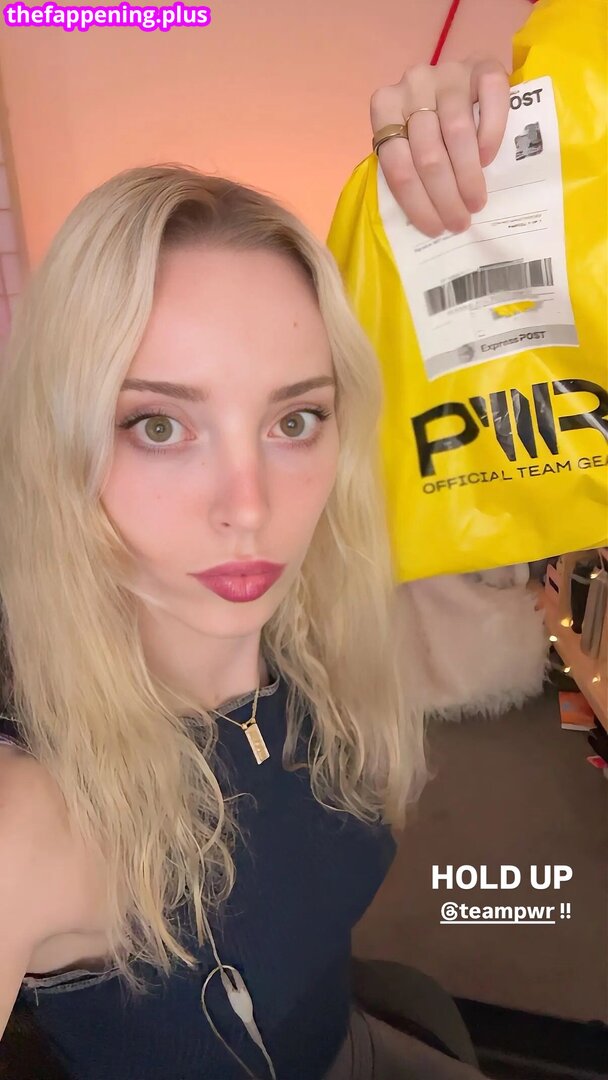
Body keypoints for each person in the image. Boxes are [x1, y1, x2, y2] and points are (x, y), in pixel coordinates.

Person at [0, 58, 545, 1079]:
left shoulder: (321, 624)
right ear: (56, 445)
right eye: (158, 425)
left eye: (294, 420)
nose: (249, 508)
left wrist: (507, 180)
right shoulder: (31, 811)